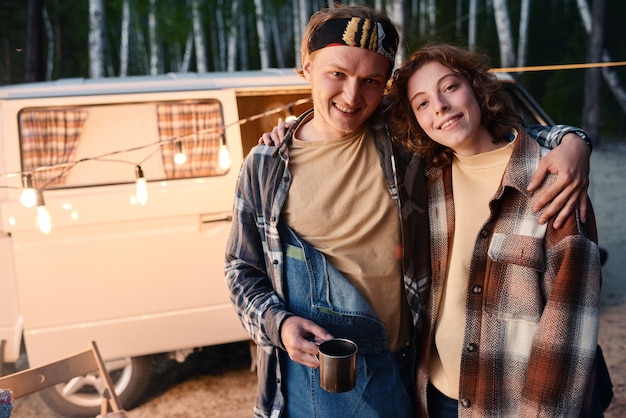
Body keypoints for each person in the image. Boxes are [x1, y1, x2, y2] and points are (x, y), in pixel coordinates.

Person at [226, 5, 592, 417]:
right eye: (337, 74)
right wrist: (278, 324)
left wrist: (572, 141)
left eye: (370, 81)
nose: (351, 96)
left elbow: (488, 131)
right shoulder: (266, 165)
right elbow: (241, 269)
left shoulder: (402, 137)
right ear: (306, 66)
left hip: (409, 369)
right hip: (316, 376)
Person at [385, 42, 602, 417]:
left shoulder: (551, 181)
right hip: (433, 396)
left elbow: (569, 329)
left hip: (512, 405)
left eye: (450, 86)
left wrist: (574, 142)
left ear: (476, 88)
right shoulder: (428, 183)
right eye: (422, 103)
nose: (439, 105)